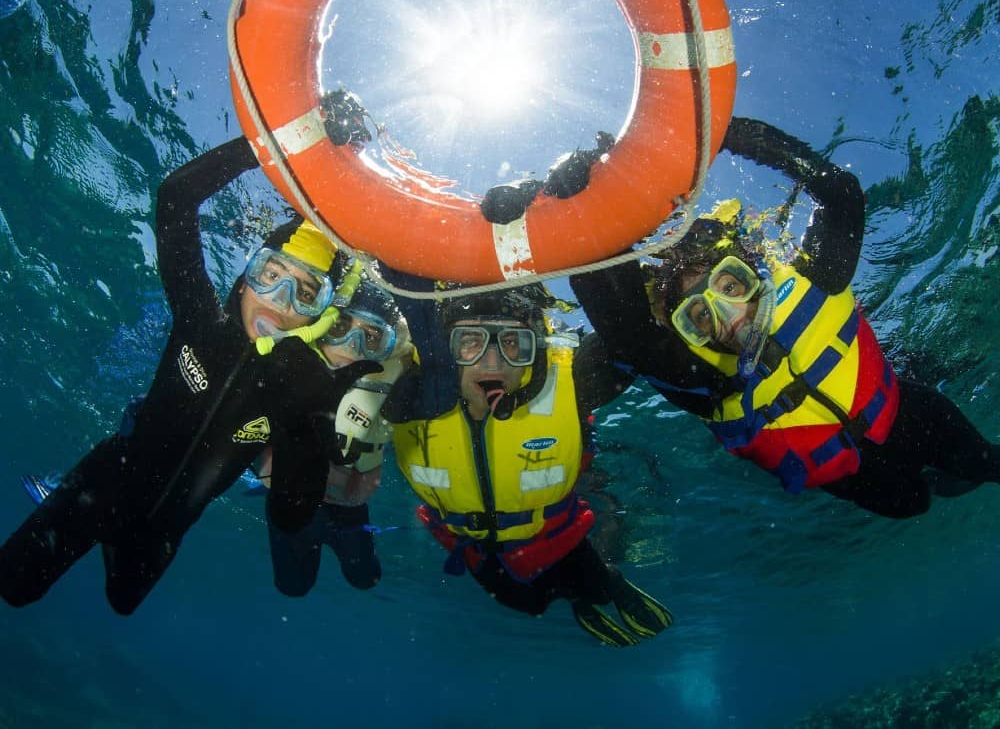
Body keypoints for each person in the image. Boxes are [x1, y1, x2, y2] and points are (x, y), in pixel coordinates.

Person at [0, 137, 377, 615]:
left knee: (123, 601)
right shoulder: (199, 319)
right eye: (271, 274)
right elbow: (176, 198)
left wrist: (312, 421)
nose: (279, 302)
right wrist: (274, 142)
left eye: (305, 293)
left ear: (321, 315)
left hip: (164, 531)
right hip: (98, 487)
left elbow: (291, 514)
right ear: (245, 276)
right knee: (13, 585)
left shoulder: (299, 387)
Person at [571, 116, 999, 519]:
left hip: (914, 416)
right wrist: (595, 212)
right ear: (687, 333)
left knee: (987, 464)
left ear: (752, 274)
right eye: (700, 315)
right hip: (854, 477)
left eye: (730, 286)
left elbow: (840, 193)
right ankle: (935, 485)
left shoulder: (816, 279)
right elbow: (629, 336)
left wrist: (724, 135)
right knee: (913, 504)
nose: (728, 316)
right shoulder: (704, 382)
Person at [382, 279, 673, 647]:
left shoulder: (572, 381)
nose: (492, 361)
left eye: (511, 344)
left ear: (532, 350)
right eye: (469, 342)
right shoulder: (404, 388)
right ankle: (580, 600)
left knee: (594, 587)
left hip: (562, 541)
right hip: (473, 549)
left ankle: (600, 589)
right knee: (527, 603)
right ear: (443, 351)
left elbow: (631, 336)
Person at [260, 280, 413, 595]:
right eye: (341, 326)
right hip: (292, 500)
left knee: (365, 579)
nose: (351, 344)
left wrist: (354, 494)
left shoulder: (392, 371)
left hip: (347, 505)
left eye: (370, 337)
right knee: (292, 586)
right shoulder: (287, 358)